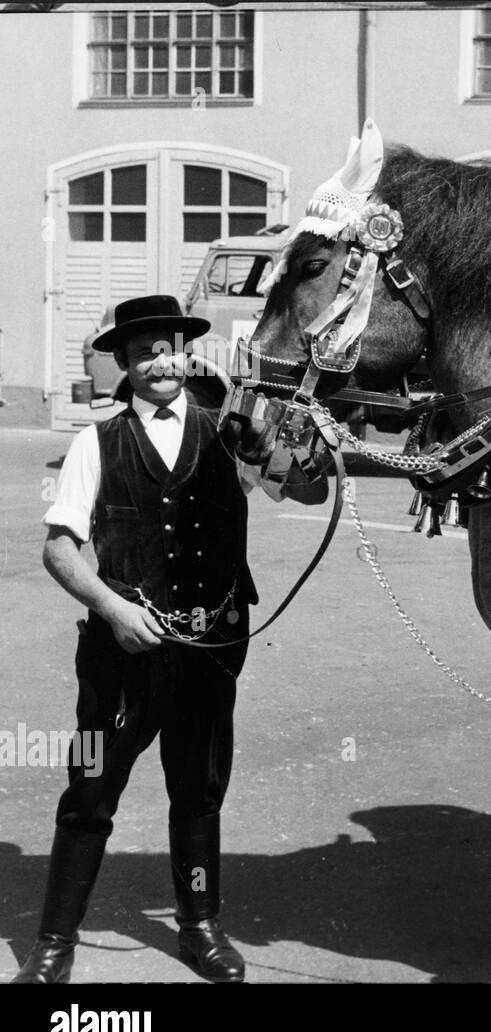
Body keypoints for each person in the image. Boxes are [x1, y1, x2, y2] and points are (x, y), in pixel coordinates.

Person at [12, 294, 316, 984]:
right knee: (90, 791)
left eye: (170, 347)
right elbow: (60, 550)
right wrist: (113, 609)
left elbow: (306, 492)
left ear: (188, 353)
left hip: (212, 650)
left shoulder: (229, 434)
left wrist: (294, 446)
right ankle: (54, 944)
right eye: (144, 351)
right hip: (121, 652)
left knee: (199, 788)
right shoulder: (96, 442)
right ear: (123, 363)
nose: (160, 361)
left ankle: (202, 928)